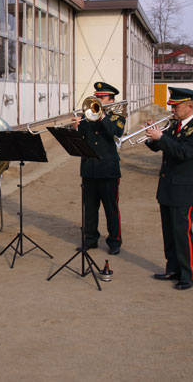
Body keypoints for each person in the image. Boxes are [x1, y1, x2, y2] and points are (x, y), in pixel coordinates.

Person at [145, 87, 193, 290]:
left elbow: (182, 152)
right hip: (168, 186)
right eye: (172, 106)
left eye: (176, 106)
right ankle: (172, 268)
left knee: (182, 233)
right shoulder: (175, 125)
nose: (172, 110)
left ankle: (188, 274)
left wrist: (162, 138)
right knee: (169, 232)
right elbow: (161, 146)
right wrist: (151, 137)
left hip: (184, 190)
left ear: (190, 106)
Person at [73, 82, 126, 255]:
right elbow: (82, 137)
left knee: (111, 207)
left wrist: (102, 115)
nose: (98, 99)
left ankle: (114, 241)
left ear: (111, 99)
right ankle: (90, 239)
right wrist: (77, 127)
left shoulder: (117, 116)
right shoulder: (87, 114)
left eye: (102, 97)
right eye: (97, 96)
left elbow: (115, 133)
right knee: (89, 207)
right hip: (89, 167)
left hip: (108, 169)